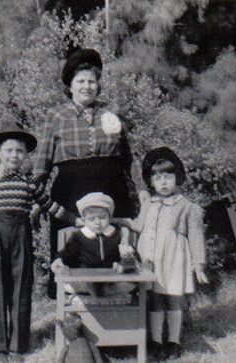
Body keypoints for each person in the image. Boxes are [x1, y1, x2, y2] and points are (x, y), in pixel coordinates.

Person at [33, 48, 142, 299]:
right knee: (73, 252)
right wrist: (36, 200)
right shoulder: (56, 116)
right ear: (69, 85)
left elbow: (129, 159)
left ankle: (121, 318)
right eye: (80, 81)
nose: (86, 86)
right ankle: (75, 321)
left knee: (118, 251)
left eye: (92, 81)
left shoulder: (110, 114)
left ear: (98, 85)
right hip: (70, 192)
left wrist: (143, 192)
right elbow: (42, 163)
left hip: (113, 191)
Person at [0, 123, 75, 362]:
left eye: (19, 151)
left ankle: (18, 347)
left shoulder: (29, 183)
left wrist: (76, 220)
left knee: (21, 290)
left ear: (26, 154)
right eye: (9, 150)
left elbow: (50, 206)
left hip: (21, 239)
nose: (14, 155)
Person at [126, 147, 210, 360]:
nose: (163, 182)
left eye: (168, 177)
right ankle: (156, 342)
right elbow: (137, 225)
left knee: (174, 299)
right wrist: (113, 221)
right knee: (154, 299)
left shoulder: (187, 207)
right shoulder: (148, 204)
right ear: (150, 181)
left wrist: (198, 264)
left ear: (177, 178)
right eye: (158, 177)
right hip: (150, 261)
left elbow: (196, 236)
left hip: (174, 259)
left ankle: (173, 341)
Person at [50, 192, 135, 298]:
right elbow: (66, 252)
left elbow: (130, 257)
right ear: (84, 220)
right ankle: (103, 296)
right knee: (70, 285)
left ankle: (89, 297)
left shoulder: (117, 234)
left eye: (102, 217)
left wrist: (127, 257)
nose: (97, 222)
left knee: (130, 285)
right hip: (86, 278)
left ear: (110, 217)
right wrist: (59, 259)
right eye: (92, 219)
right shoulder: (79, 236)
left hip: (111, 278)